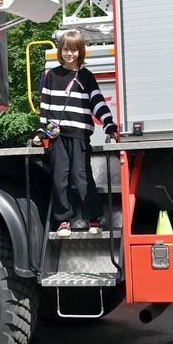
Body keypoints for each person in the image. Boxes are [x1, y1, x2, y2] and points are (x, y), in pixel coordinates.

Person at [32, 30, 120, 236]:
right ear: (60, 51)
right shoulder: (51, 76)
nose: (69, 54)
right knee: (60, 178)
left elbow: (97, 102)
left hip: (80, 135)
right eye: (65, 49)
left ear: (80, 52)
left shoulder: (86, 76)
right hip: (57, 136)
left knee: (82, 176)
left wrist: (109, 124)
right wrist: (42, 132)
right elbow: (45, 107)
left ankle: (94, 218)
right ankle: (64, 221)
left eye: (73, 50)